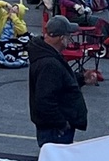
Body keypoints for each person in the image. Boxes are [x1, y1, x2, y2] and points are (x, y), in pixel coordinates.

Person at [28, 16, 89, 145]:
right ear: (62, 38)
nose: (70, 39)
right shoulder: (49, 64)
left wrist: (81, 78)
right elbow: (45, 100)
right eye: (68, 36)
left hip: (53, 128)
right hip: (55, 130)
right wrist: (62, 123)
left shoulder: (47, 56)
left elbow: (59, 83)